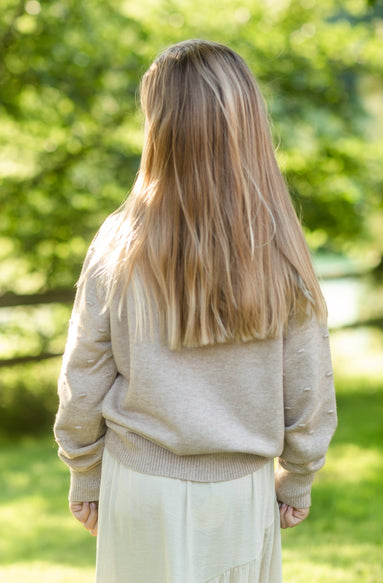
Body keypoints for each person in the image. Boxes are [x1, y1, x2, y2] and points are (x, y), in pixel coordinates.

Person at [54, 39, 337, 583]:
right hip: (242, 498)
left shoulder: (121, 241)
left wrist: (84, 471)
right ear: (249, 124)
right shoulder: (280, 246)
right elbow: (309, 382)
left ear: (158, 127)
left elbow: (82, 375)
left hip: (138, 489)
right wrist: (297, 476)